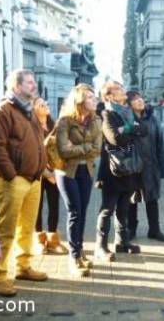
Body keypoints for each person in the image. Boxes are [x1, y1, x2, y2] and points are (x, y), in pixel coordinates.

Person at [0, 69, 47, 296]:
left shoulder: (29, 110)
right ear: (16, 87)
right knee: (6, 230)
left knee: (27, 228)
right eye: (29, 83)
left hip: (33, 179)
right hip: (14, 180)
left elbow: (38, 142)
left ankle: (23, 267)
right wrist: (12, 175)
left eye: (33, 82)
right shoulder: (3, 110)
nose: (34, 86)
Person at [95, 81, 146, 261]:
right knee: (107, 209)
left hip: (130, 166)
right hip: (113, 169)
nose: (123, 90)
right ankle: (101, 247)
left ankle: (121, 242)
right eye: (118, 89)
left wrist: (127, 129)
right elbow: (115, 138)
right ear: (109, 96)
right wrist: (131, 131)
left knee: (123, 208)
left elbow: (144, 130)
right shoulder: (107, 114)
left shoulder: (129, 112)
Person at [55, 84, 102, 276]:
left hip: (87, 171)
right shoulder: (65, 121)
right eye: (90, 98)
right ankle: (73, 257)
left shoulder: (96, 120)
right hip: (67, 172)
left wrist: (79, 147)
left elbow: (98, 148)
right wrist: (85, 147)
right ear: (80, 101)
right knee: (74, 212)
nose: (95, 100)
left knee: (83, 212)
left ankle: (80, 251)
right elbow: (63, 150)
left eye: (94, 97)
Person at [126, 91, 164, 242]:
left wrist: (163, 168)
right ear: (129, 103)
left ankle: (154, 230)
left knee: (152, 198)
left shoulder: (153, 119)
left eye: (140, 98)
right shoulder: (126, 119)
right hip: (132, 166)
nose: (139, 101)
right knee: (132, 199)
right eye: (135, 99)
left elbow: (160, 144)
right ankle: (130, 230)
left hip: (151, 165)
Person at [33, 97, 68, 255]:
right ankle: (38, 241)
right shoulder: (31, 126)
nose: (45, 106)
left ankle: (53, 240)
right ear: (34, 108)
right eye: (41, 104)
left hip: (55, 172)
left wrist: (57, 171)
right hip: (38, 172)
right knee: (37, 207)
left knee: (54, 205)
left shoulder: (54, 125)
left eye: (46, 103)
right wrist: (46, 173)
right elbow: (32, 152)